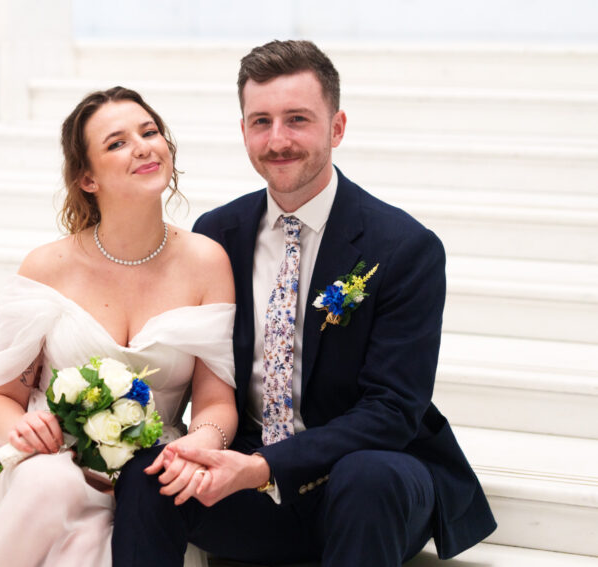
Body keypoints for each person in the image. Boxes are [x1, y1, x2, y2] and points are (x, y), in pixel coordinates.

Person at [112, 40, 497, 567]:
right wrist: (205, 451)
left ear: (337, 128)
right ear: (243, 130)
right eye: (261, 121)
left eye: (297, 119)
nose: (278, 140)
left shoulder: (403, 247)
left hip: (365, 479)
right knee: (148, 472)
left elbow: (391, 411)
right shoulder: (218, 234)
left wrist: (265, 466)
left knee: (370, 479)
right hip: (246, 475)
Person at [0, 86, 238, 567]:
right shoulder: (48, 268)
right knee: (51, 483)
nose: (144, 146)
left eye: (150, 132)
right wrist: (25, 429)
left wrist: (203, 442)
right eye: (117, 142)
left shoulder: (206, 262)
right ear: (87, 178)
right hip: (46, 467)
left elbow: (216, 403)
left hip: (148, 472)